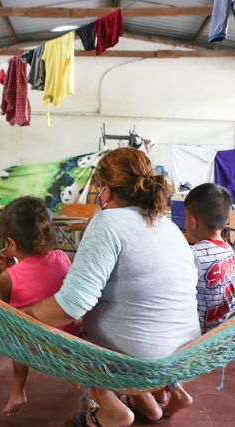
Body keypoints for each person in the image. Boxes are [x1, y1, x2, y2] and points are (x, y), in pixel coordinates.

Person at [22, 148, 201, 426]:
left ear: (104, 191)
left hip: (139, 358)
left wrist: (23, 317)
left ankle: (107, 407)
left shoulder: (108, 222)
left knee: (64, 339)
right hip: (184, 354)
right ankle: (168, 392)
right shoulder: (167, 226)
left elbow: (71, 306)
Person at [0, 196, 79, 416]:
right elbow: (42, 278)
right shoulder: (62, 257)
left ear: (10, 243)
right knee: (23, 325)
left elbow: (7, 308)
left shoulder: (8, 277)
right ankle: (17, 392)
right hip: (70, 332)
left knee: (2, 320)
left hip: (36, 342)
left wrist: (8, 272)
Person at [184, 183, 235, 333]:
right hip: (222, 326)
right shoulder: (229, 250)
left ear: (193, 221)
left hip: (199, 331)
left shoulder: (194, 254)